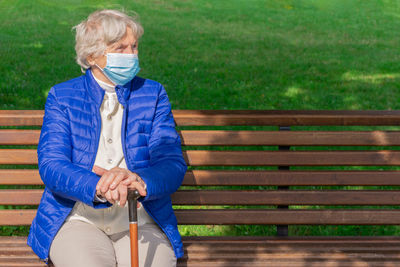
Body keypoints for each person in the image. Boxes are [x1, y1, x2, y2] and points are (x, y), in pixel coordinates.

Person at [27, 9, 187, 267]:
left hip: (141, 220)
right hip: (77, 220)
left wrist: (140, 180)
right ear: (92, 56)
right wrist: (99, 186)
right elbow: (52, 165)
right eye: (120, 48)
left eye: (134, 46)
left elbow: (171, 162)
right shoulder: (62, 96)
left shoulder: (153, 93)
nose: (131, 55)